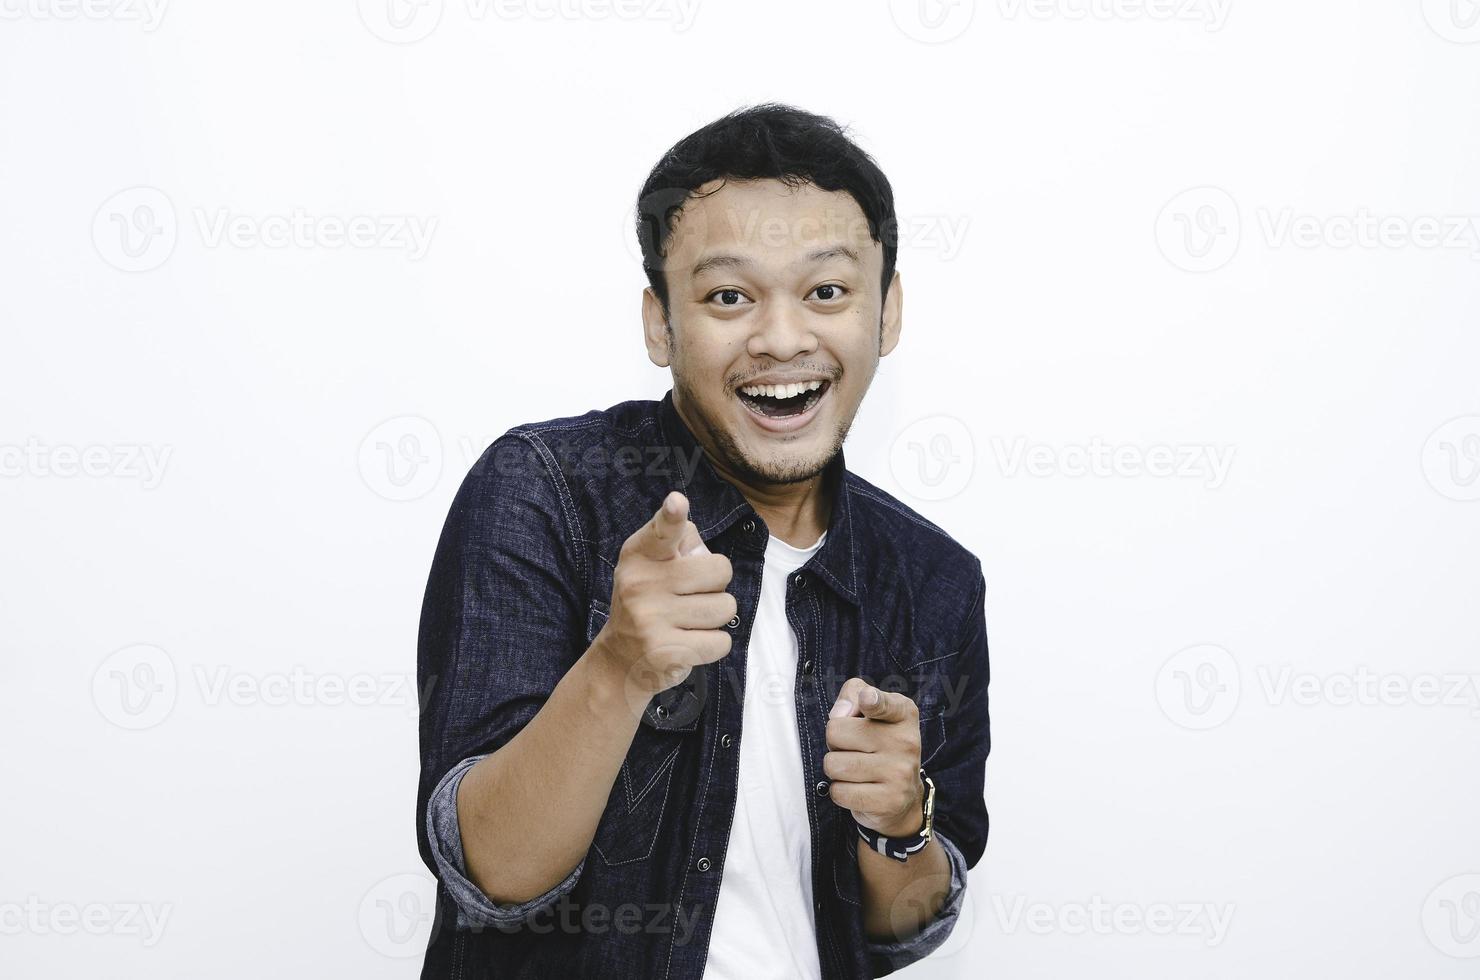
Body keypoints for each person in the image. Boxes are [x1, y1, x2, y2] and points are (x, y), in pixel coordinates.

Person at [416, 103, 991, 979]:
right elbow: (491, 874)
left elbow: (898, 932)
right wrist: (617, 668)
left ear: (888, 311)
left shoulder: (934, 579)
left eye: (827, 291)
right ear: (660, 323)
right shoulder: (541, 492)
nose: (782, 338)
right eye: (728, 296)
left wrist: (900, 825)